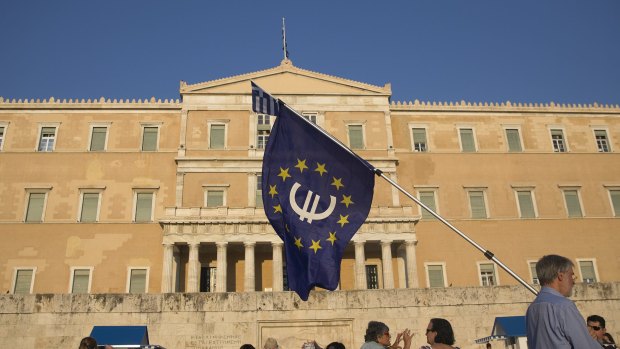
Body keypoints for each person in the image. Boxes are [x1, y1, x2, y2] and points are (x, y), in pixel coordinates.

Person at [525, 254, 601, 348]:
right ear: (560, 276)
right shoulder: (564, 306)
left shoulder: (532, 308)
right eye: (571, 275)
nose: (573, 281)